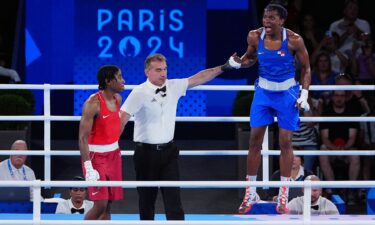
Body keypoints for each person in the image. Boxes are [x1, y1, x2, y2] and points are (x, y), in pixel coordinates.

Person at [224, 3, 311, 214]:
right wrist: (238, 63)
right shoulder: (254, 36)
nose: (267, 22)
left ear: (282, 20)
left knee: (285, 143)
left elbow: (307, 68)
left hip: (287, 94)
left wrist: (304, 94)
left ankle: (283, 194)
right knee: (254, 142)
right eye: (265, 17)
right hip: (263, 93)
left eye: (272, 18)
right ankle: (250, 192)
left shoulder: (294, 40)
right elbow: (251, 59)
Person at [120, 53, 228, 220]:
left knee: (174, 201)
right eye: (158, 70)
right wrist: (108, 145)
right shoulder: (139, 92)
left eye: (165, 69)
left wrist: (224, 67)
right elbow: (122, 119)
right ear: (147, 72)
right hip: (146, 154)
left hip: (169, 152)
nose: (163, 73)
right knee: (146, 201)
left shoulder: (174, 86)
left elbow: (200, 77)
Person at [78, 65, 125, 220]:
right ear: (108, 81)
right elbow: (83, 138)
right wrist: (88, 166)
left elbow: (114, 128)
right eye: (119, 77)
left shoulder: (118, 99)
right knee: (100, 205)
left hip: (113, 155)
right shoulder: (93, 104)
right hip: (95, 158)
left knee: (109, 203)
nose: (123, 81)